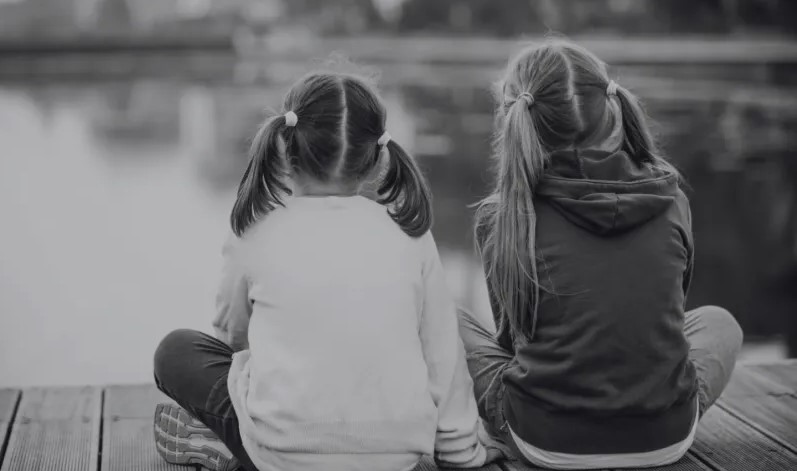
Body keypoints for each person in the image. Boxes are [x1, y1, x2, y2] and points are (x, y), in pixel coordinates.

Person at [152, 70, 500, 471]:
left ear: (285, 146)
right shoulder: (410, 232)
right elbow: (443, 356)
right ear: (375, 157)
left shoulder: (255, 227)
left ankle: (234, 448)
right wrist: (460, 452)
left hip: (282, 453)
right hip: (395, 456)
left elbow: (232, 335)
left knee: (176, 351)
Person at [460, 38, 743, 470]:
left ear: (515, 116)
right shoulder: (671, 198)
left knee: (439, 320)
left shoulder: (503, 216)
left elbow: (512, 339)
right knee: (720, 323)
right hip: (664, 439)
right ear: (610, 107)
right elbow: (664, 320)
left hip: (543, 440)